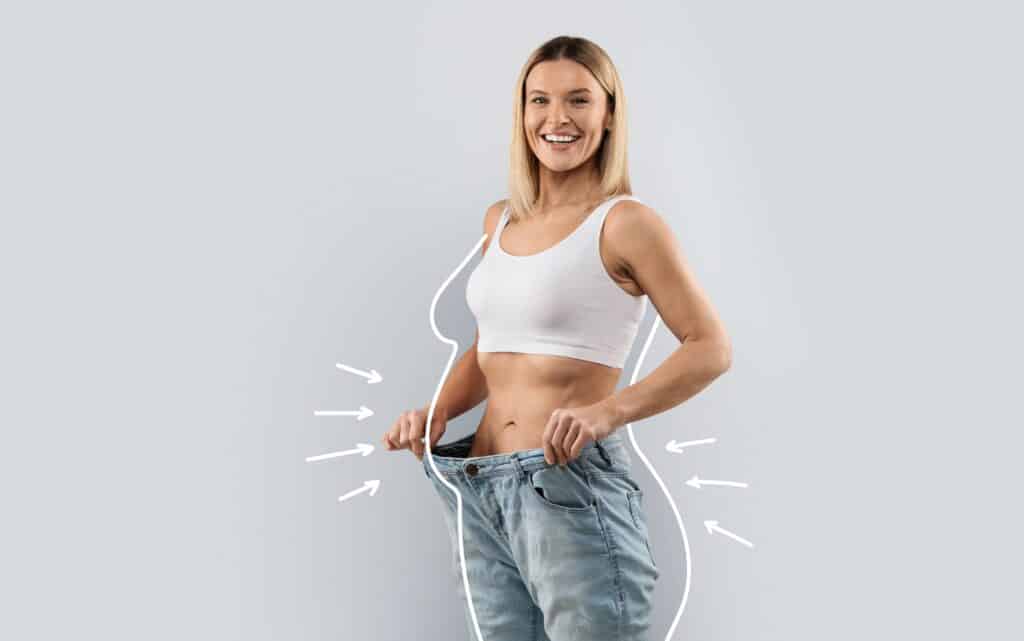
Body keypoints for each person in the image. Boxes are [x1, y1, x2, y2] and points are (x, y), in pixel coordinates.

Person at [383, 35, 731, 641]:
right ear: (521, 114)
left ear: (609, 113)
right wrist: (436, 413)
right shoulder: (502, 220)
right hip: (475, 482)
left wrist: (606, 413)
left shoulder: (626, 223)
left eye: (578, 100)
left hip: (565, 483)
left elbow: (709, 346)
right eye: (539, 100)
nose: (557, 119)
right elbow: (492, 348)